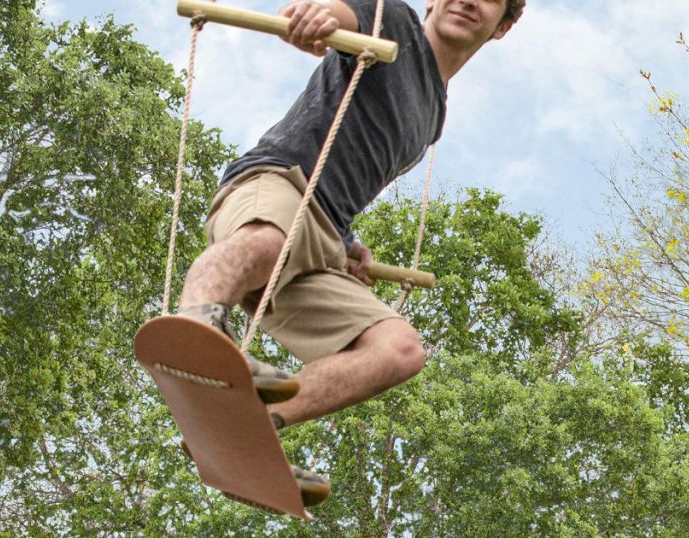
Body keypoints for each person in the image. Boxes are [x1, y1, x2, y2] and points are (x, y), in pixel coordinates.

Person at [174, 0, 523, 507]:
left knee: (399, 350)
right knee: (269, 242)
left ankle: (247, 427)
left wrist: (347, 243)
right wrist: (317, 18)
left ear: (503, 27)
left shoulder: (434, 113)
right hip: (277, 183)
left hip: (323, 237)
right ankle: (196, 327)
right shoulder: (393, 19)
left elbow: (349, 161)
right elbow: (338, 13)